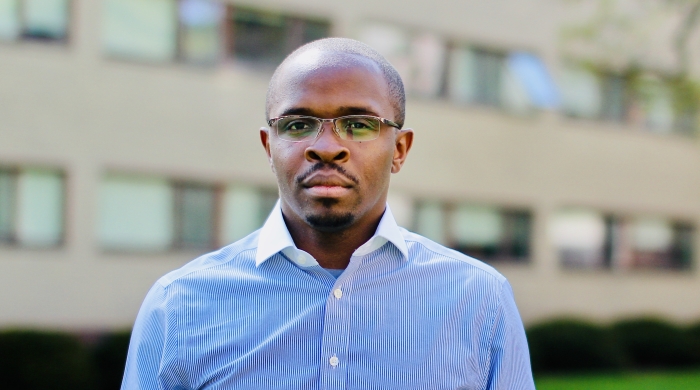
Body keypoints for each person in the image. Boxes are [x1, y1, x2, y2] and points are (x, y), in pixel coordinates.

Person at [121, 38, 535, 389]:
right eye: (299, 124)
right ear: (270, 146)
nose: (326, 146)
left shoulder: (480, 300)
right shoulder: (178, 306)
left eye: (357, 124)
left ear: (400, 150)